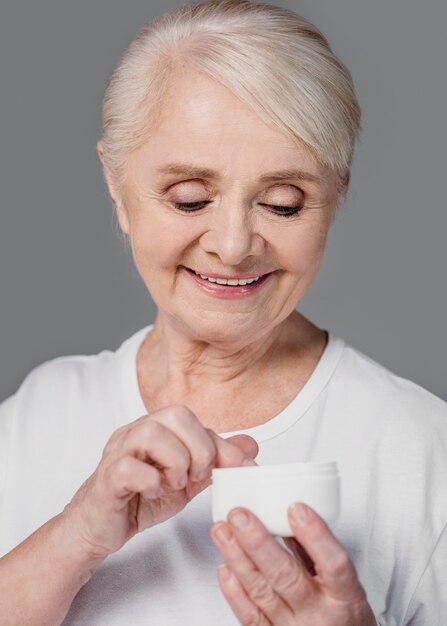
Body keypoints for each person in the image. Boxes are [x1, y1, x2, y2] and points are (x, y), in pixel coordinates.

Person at [0, 0, 446, 624]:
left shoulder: (425, 456)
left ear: (335, 196)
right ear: (115, 185)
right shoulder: (35, 418)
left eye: (285, 203)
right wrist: (74, 538)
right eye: (189, 199)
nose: (233, 245)